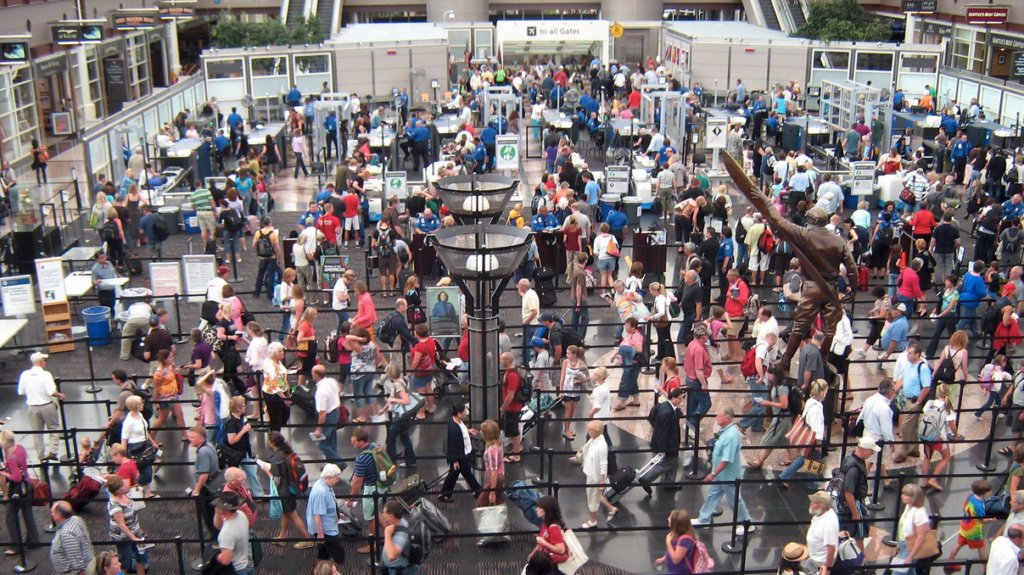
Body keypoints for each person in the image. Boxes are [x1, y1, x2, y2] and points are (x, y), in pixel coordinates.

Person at [695, 407, 752, 532]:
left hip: (729, 475)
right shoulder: (726, 431)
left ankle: (746, 523)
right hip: (720, 474)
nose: (716, 418)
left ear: (726, 418)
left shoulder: (731, 435)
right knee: (712, 495)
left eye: (719, 416)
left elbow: (727, 458)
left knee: (735, 500)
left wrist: (713, 473)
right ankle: (703, 519)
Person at [266, 432, 314, 548]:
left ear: (272, 443)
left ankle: (307, 539)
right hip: (292, 488)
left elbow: (276, 480)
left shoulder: (276, 458)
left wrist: (266, 471)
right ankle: (282, 537)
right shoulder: (288, 452)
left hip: (284, 490)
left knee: (292, 515)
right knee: (285, 512)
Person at [17, 352, 65, 461]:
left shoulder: (24, 374)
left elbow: (21, 392)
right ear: (41, 362)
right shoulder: (46, 374)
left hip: (33, 407)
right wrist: (60, 395)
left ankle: (41, 455)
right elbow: (51, 391)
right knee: (54, 428)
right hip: (47, 406)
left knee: (37, 432)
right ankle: (53, 451)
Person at [347, 428, 386, 555]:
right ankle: (387, 534)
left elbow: (357, 482)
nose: (351, 443)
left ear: (361, 442)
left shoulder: (361, 459)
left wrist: (351, 499)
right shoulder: (376, 447)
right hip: (381, 484)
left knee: (370, 517)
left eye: (354, 441)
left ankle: (374, 544)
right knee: (376, 510)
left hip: (371, 489)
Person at [0, 430, 39, 555]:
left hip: (17, 489)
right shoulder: (20, 448)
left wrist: (4, 473)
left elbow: (16, 477)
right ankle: (34, 540)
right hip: (27, 485)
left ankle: (17, 546)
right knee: (27, 513)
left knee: (10, 518)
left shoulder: (10, 458)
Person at [895, 344, 933, 462]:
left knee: (906, 426)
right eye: (908, 352)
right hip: (907, 399)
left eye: (910, 353)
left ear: (917, 355)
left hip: (914, 401)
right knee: (912, 426)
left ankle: (904, 451)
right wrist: (893, 391)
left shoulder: (922, 367)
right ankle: (914, 449)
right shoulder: (908, 365)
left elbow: (926, 387)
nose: (908, 355)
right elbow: (902, 379)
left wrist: (918, 402)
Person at [840, 437, 880, 548]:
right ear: (866, 450)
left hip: (852, 502)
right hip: (856, 503)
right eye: (872, 451)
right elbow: (848, 493)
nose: (872, 454)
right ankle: (860, 562)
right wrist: (855, 513)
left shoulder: (849, 458)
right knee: (859, 535)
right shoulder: (854, 468)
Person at [577, 420, 617, 529]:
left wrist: (602, 481)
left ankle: (593, 521)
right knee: (595, 495)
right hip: (590, 473)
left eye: (590, 430)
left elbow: (603, 464)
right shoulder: (594, 439)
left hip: (595, 476)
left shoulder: (601, 446)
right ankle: (610, 508)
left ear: (596, 431)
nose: (588, 432)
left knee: (592, 498)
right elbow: (587, 447)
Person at [105, 475, 148, 575]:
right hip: (122, 537)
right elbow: (122, 525)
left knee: (142, 556)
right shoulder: (115, 505)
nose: (125, 486)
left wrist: (138, 531)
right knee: (124, 562)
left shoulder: (124, 494)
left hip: (134, 531)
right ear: (116, 491)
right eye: (122, 486)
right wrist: (134, 538)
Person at [439, 404, 483, 502]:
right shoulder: (455, 429)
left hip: (462, 454)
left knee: (464, 472)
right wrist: (455, 460)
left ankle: (476, 489)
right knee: (456, 474)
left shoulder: (455, 421)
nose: (466, 413)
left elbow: (461, 431)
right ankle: (445, 494)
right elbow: (453, 445)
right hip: (460, 455)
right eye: (464, 411)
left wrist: (468, 431)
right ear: (459, 414)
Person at [222, 396, 264, 496]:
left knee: (252, 472)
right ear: (238, 408)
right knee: (246, 474)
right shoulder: (231, 423)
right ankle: (237, 494)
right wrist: (243, 430)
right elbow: (231, 440)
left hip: (244, 452)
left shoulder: (240, 418)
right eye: (243, 406)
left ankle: (257, 494)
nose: (245, 407)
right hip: (236, 454)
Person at [308, 463, 346, 564]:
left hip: (327, 526)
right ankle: (335, 569)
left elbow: (328, 504)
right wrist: (321, 534)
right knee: (339, 552)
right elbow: (317, 515)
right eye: (336, 478)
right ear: (329, 477)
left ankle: (319, 568)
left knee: (324, 552)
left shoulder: (323, 484)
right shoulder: (321, 492)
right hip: (326, 529)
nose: (338, 480)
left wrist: (337, 513)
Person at [890, 484, 931, 575]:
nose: (902, 496)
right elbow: (904, 529)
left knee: (898, 573)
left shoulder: (920, 513)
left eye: (905, 494)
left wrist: (911, 555)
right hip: (905, 544)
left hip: (911, 547)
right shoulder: (908, 507)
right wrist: (899, 543)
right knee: (910, 572)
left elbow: (920, 537)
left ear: (914, 498)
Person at [650, 388, 685, 490]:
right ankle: (649, 478)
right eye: (679, 398)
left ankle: (668, 482)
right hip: (668, 444)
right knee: (668, 464)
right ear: (673, 398)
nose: (681, 400)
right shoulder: (668, 413)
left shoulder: (666, 406)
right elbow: (663, 432)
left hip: (668, 443)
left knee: (671, 464)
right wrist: (662, 448)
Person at [212, 492, 254, 575]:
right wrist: (217, 512)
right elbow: (218, 525)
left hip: (236, 569)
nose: (217, 506)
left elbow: (225, 560)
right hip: (245, 562)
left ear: (225, 509)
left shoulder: (227, 532)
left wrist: (212, 558)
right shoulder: (241, 515)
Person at [311, 365, 344, 468]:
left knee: (321, 443)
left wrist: (319, 429)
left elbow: (322, 413)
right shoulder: (331, 381)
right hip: (335, 412)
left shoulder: (321, 392)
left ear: (316, 375)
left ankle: (339, 463)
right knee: (331, 440)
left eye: (313, 373)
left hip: (328, 417)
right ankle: (332, 465)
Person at [49, 501, 94, 575]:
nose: (51, 514)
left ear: (59, 515)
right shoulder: (76, 519)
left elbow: (76, 560)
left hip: (75, 572)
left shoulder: (67, 534)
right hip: (87, 562)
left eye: (52, 512)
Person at [684, 324, 714, 432]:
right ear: (703, 337)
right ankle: (692, 424)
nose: (708, 337)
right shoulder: (699, 350)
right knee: (706, 403)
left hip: (690, 378)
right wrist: (704, 384)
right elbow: (699, 369)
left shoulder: (692, 344)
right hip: (697, 380)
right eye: (707, 336)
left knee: (693, 403)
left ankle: (689, 424)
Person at [558, 345, 589, 440]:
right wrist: (561, 390)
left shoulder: (581, 363)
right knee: (567, 410)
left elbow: (588, 377)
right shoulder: (565, 362)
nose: (566, 355)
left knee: (572, 410)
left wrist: (579, 381)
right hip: (567, 389)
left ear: (574, 354)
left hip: (576, 390)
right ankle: (566, 430)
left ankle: (568, 427)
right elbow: (562, 377)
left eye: (568, 353)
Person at [499, 352, 526, 461]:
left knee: (513, 430)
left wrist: (503, 407)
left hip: (512, 407)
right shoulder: (509, 372)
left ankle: (516, 454)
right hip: (511, 407)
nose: (500, 361)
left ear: (507, 361)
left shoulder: (512, 375)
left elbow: (510, 395)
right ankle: (516, 448)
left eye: (502, 359)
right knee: (511, 429)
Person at [806, 491, 840, 575]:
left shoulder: (828, 524)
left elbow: (831, 549)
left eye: (815, 503)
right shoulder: (820, 514)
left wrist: (827, 569)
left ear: (823, 506)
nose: (811, 504)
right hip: (814, 558)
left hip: (820, 562)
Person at [380, 499, 416, 575]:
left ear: (391, 516)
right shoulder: (400, 522)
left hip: (399, 571)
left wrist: (387, 534)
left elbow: (391, 556)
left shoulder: (401, 536)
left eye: (384, 513)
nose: (382, 515)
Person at [262, 342, 292, 432]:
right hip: (273, 394)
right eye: (280, 351)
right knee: (276, 418)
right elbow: (274, 385)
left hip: (281, 391)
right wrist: (285, 399)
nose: (283, 352)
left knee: (284, 414)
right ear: (274, 353)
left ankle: (274, 434)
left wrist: (287, 393)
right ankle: (275, 437)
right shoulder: (271, 366)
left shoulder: (277, 362)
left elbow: (281, 380)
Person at [534, 496, 568, 574]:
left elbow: (561, 550)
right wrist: (533, 553)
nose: (537, 509)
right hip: (549, 563)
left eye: (540, 507)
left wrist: (543, 542)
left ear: (547, 510)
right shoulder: (546, 523)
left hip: (554, 565)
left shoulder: (553, 528)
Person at [477, 420, 504, 508]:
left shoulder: (491, 450)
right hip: (499, 478)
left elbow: (494, 471)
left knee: (480, 505)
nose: (480, 432)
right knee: (498, 501)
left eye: (482, 431)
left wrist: (492, 491)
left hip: (495, 480)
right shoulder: (499, 444)